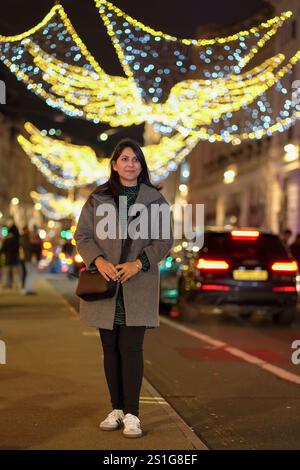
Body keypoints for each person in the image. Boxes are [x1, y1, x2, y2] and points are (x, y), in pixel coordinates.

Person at [75, 138, 173, 438]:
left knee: (130, 348)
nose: (130, 164)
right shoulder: (98, 198)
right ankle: (116, 409)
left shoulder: (155, 200)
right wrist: (99, 260)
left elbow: (164, 241)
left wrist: (138, 263)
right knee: (110, 349)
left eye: (135, 159)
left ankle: (132, 414)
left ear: (141, 166)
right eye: (125, 158)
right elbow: (83, 235)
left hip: (138, 284)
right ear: (115, 164)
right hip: (105, 285)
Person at [0, 221, 21, 290]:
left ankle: (6, 284)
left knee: (6, 272)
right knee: (15, 273)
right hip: (15, 258)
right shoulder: (16, 240)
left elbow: (3, 249)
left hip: (7, 258)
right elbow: (18, 249)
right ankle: (16, 285)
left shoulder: (7, 240)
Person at [19, 225, 37, 295]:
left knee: (27, 273)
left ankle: (27, 288)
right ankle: (27, 289)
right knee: (28, 273)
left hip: (25, 258)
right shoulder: (25, 238)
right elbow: (27, 249)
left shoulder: (23, 238)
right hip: (26, 259)